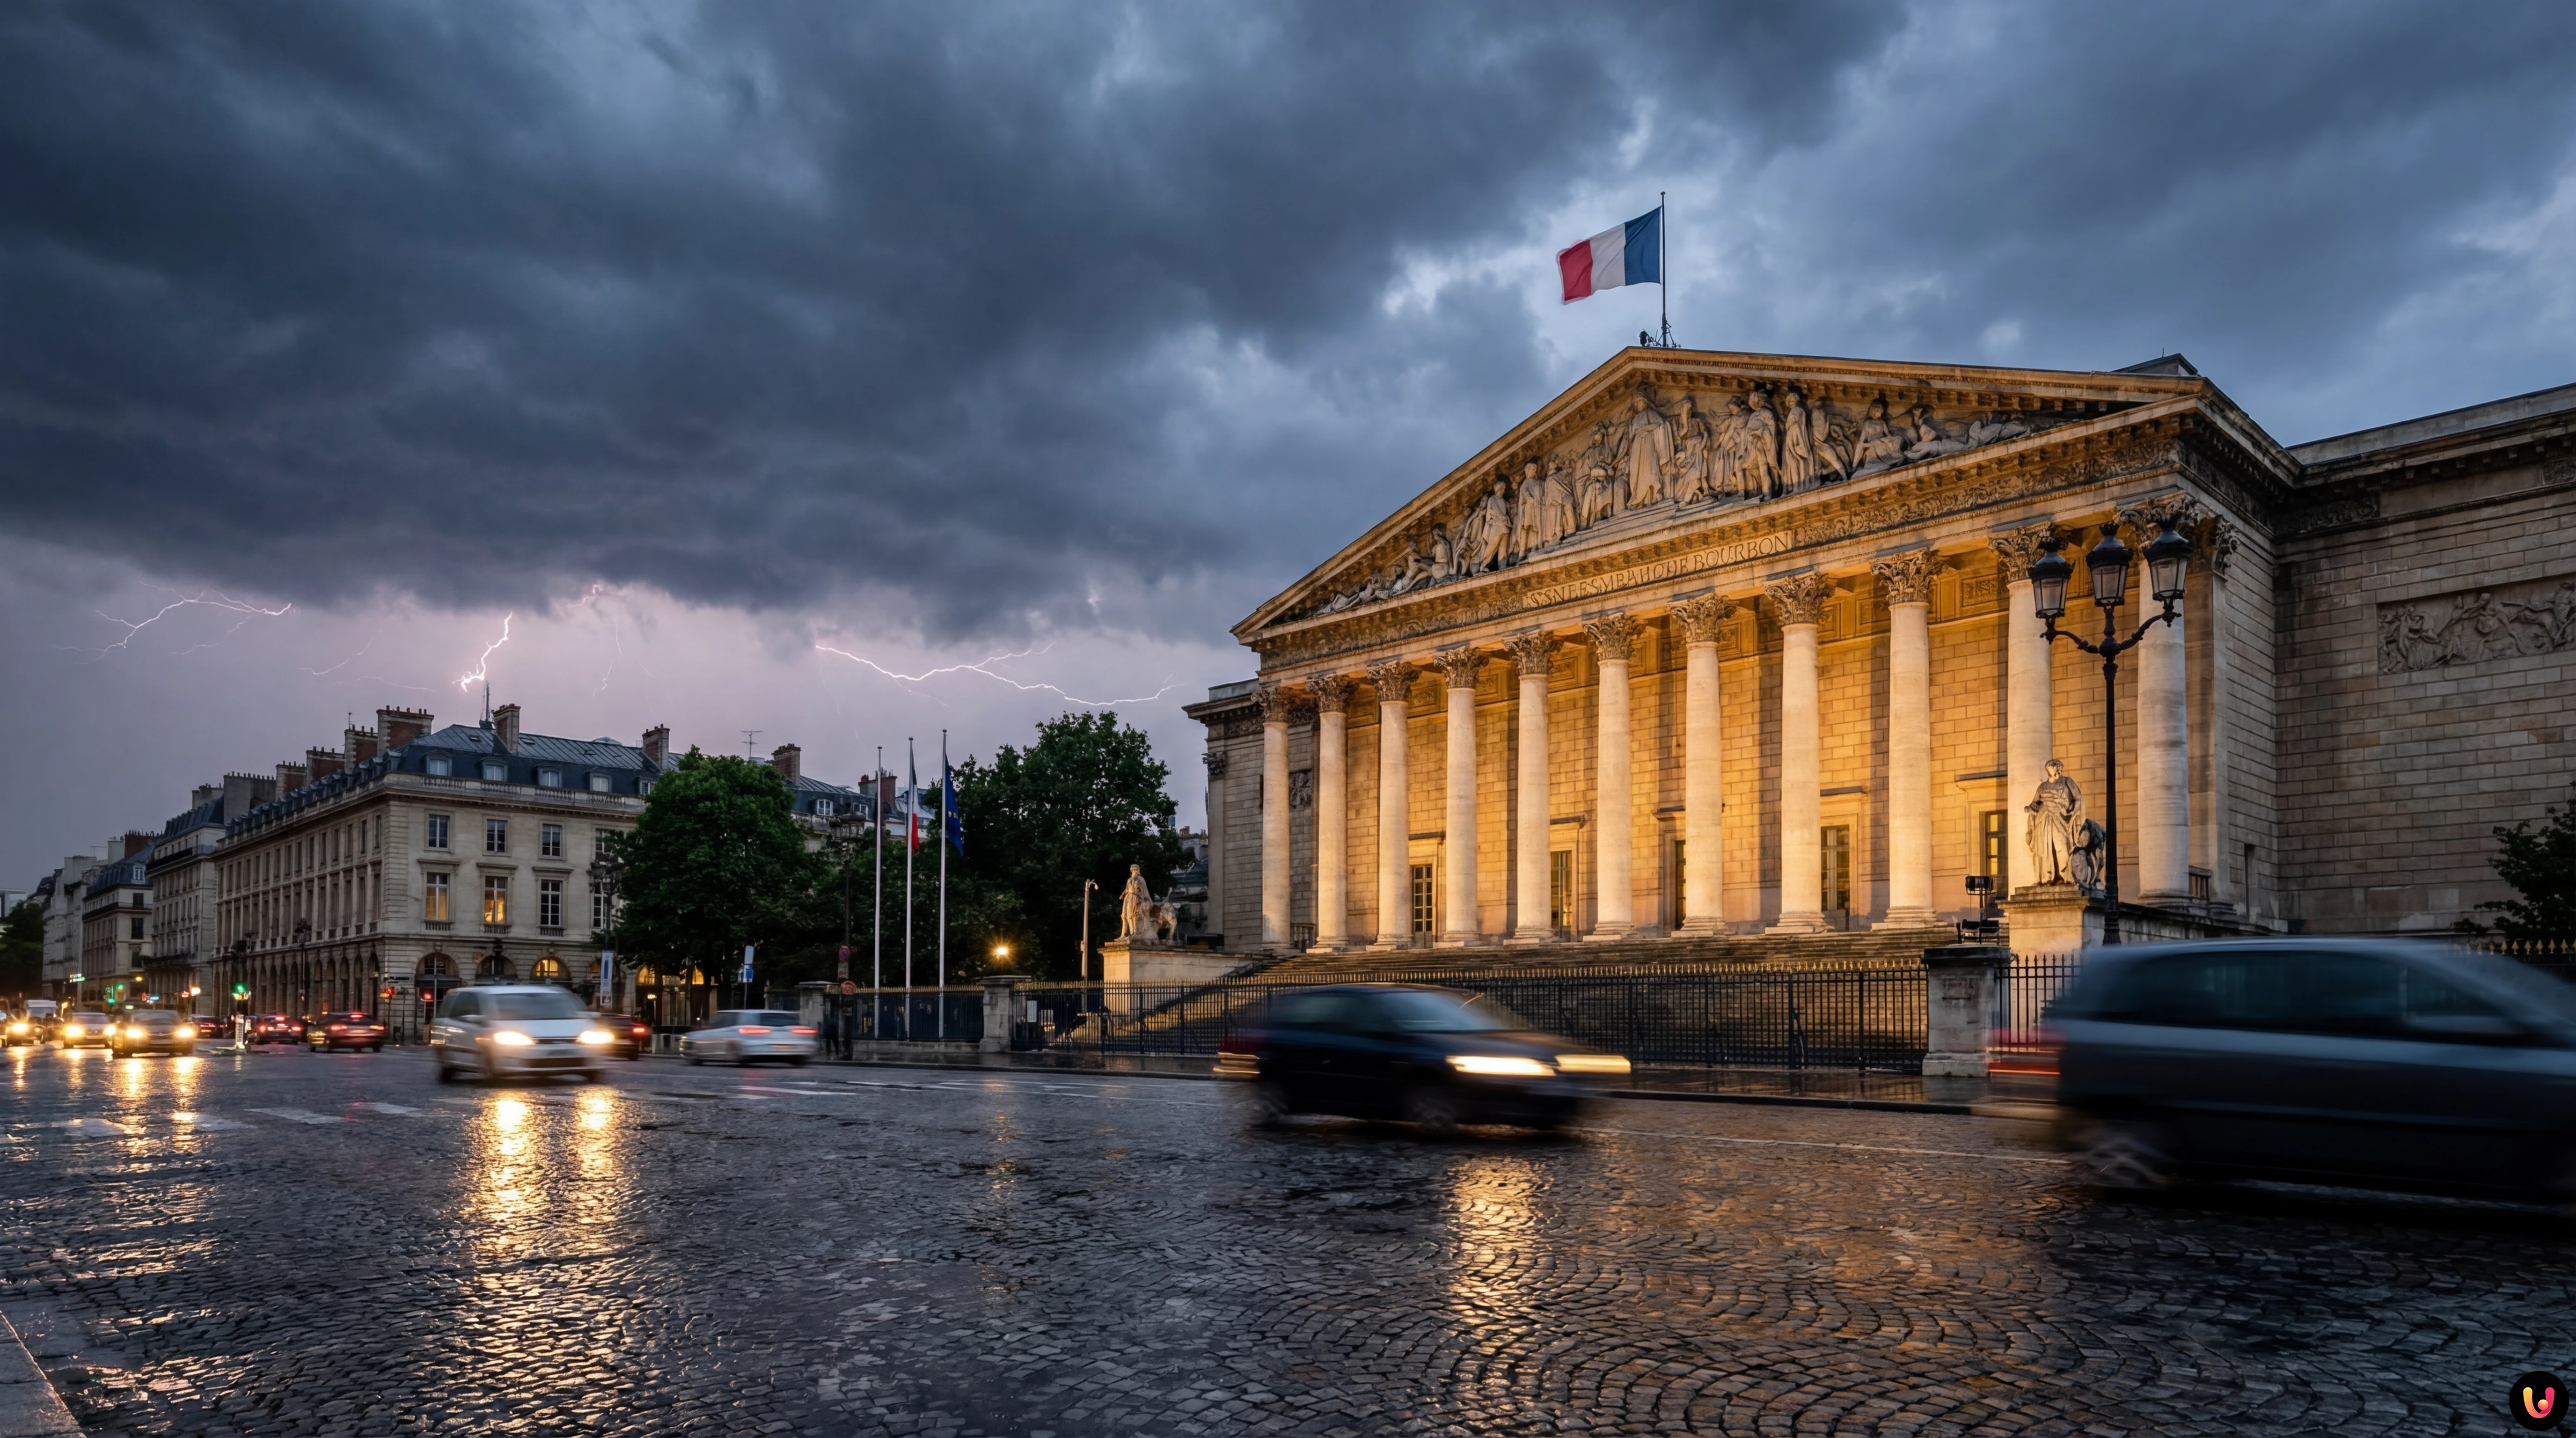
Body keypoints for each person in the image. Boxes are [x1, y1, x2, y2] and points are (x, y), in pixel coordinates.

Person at [2024, 758, 2085, 887]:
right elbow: (2036, 802)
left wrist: (2074, 811)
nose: (2052, 771)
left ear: (2058, 769)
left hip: (2061, 817)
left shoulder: (2067, 782)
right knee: (2044, 848)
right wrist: (2030, 808)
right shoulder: (2043, 786)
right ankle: (2048, 878)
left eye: (2054, 768)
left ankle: (2066, 877)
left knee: (2062, 845)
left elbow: (2077, 798)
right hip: (2044, 818)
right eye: (2050, 769)